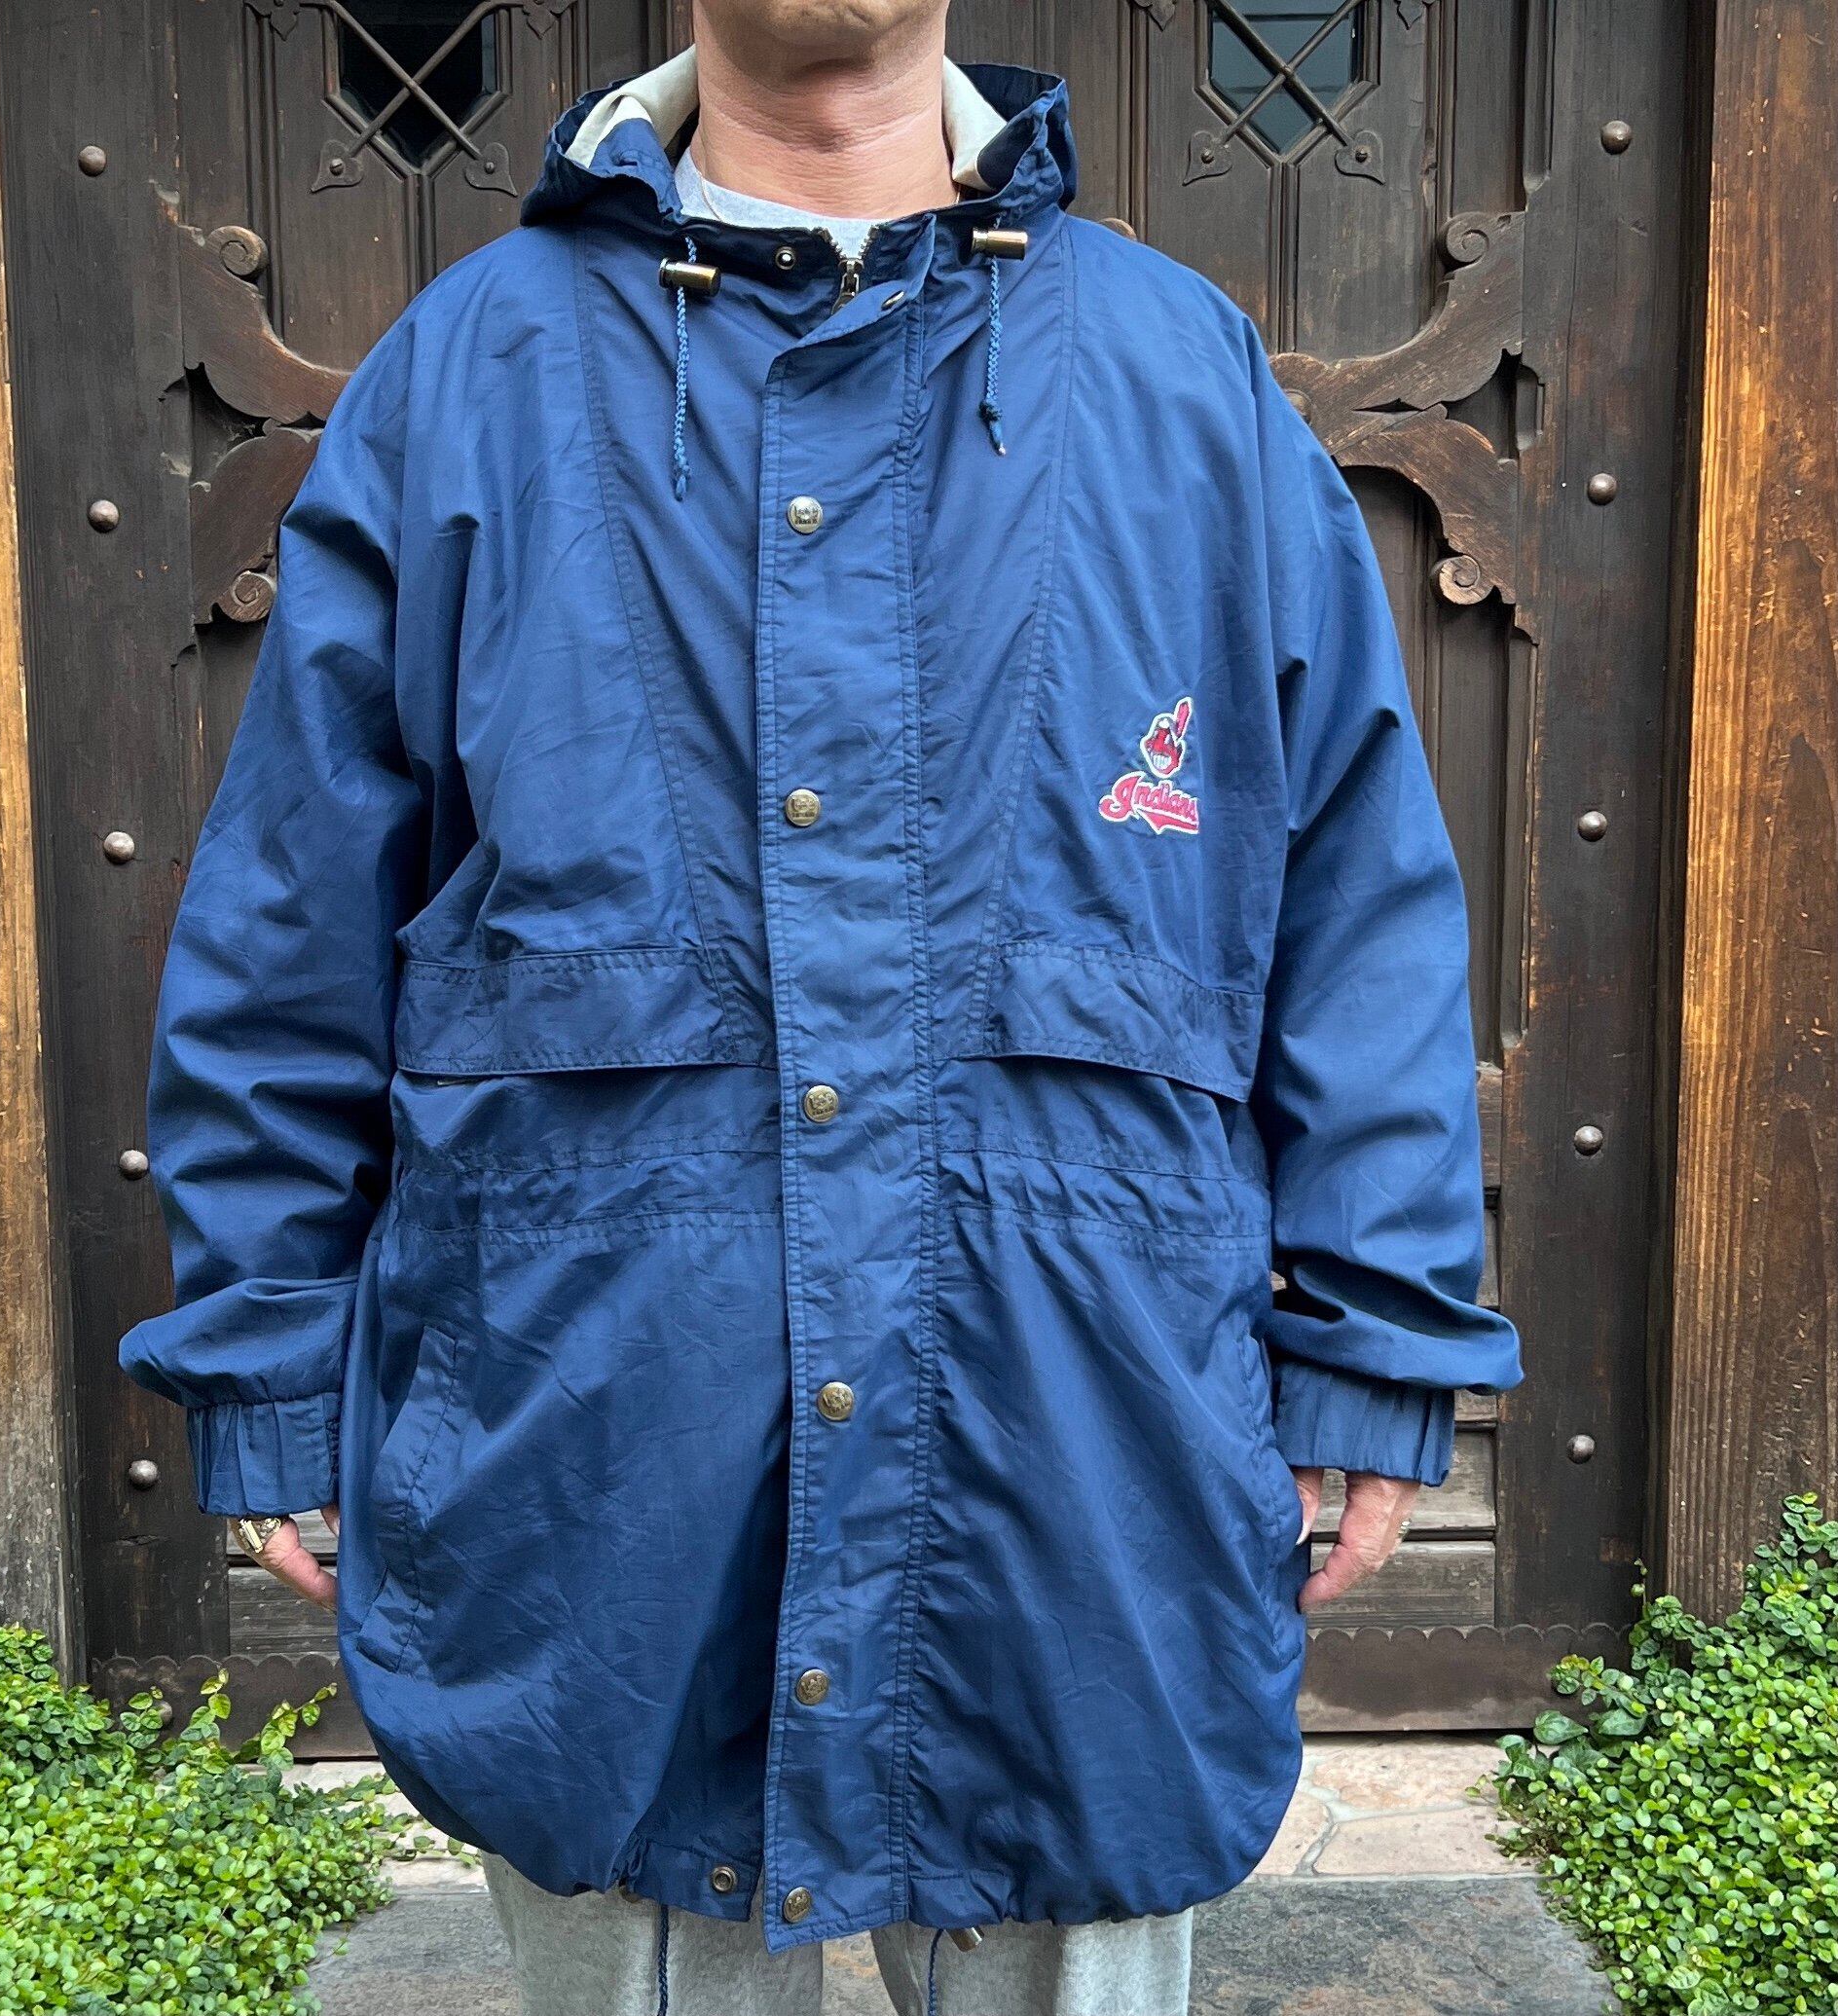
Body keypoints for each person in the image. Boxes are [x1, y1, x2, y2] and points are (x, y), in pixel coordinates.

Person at [120, 3, 1525, 2010]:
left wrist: (1374, 1335)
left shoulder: (1175, 370)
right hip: (602, 1463)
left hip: (1080, 1454)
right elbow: (293, 919)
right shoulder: (478, 369)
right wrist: (271, 1351)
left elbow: (1356, 899)